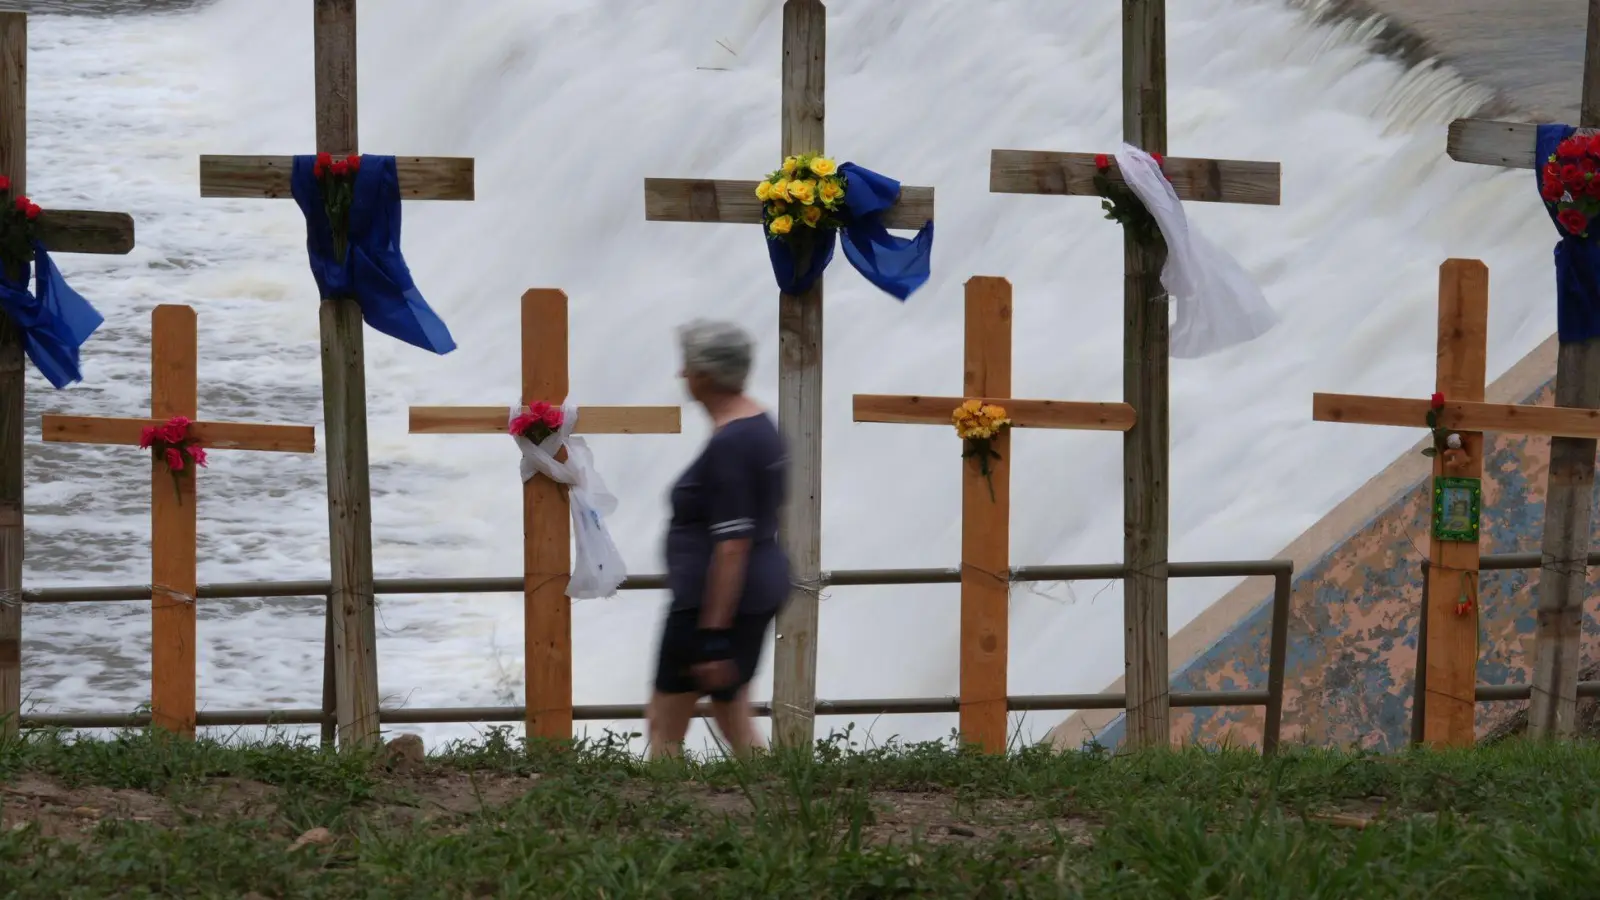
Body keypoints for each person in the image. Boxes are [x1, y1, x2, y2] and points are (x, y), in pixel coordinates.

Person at [648, 319, 790, 759]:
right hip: (754, 592)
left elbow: (733, 545)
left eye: (687, 366)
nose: (681, 375)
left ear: (706, 375)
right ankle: (777, 805)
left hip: (711, 604)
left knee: (665, 723)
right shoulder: (761, 426)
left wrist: (712, 634)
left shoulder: (733, 443)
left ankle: (659, 812)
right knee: (732, 711)